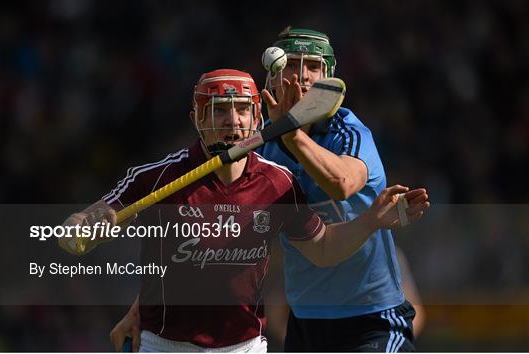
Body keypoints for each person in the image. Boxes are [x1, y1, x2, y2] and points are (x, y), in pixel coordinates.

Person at [61, 69, 428, 352]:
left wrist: (371, 221)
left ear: (257, 119)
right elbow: (83, 223)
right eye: (220, 111)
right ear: (197, 119)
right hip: (165, 344)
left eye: (241, 110)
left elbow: (324, 248)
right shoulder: (159, 178)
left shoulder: (279, 183)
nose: (233, 121)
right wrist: (82, 228)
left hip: (246, 347)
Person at [257, 27, 420, 352]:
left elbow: (341, 184)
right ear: (272, 76)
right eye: (289, 65)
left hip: (372, 320)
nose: (300, 77)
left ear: (328, 77)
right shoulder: (262, 147)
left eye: (312, 67)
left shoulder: (350, 132)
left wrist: (292, 135)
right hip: (305, 324)